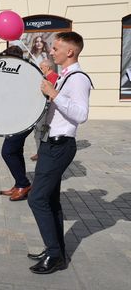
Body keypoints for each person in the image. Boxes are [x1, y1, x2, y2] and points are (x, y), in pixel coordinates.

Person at [27, 32, 91, 274]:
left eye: (56, 48)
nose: (52, 52)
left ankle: (55, 255)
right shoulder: (65, 76)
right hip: (50, 143)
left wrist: (53, 94)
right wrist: (50, 83)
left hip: (60, 145)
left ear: (70, 52)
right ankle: (54, 250)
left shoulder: (78, 79)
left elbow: (81, 114)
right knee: (50, 199)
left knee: (37, 199)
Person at [0, 46, 33, 202]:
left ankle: (23, 184)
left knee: (8, 152)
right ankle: (19, 183)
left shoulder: (25, 72)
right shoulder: (14, 72)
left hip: (24, 119)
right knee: (16, 151)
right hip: (16, 119)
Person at [30, 58, 59, 161]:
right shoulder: (46, 76)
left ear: (47, 67)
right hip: (42, 108)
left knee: (41, 131)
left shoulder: (54, 77)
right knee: (39, 131)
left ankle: (42, 154)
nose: (40, 69)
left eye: (41, 68)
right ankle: (40, 152)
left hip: (46, 108)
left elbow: (50, 93)